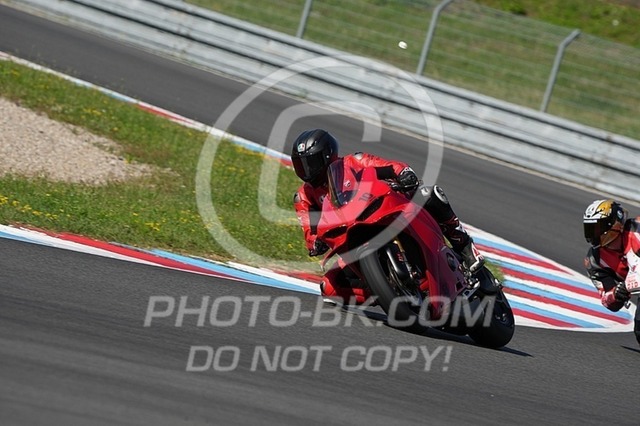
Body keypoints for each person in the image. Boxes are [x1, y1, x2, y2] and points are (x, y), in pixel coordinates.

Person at [291, 128, 485, 305]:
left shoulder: (353, 161)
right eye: (301, 165)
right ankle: (384, 289)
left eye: (310, 163)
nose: (307, 170)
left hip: (381, 211)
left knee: (429, 194)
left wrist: (403, 173)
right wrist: (315, 242)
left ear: (327, 155)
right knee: (329, 286)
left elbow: (390, 166)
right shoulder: (304, 196)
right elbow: (308, 227)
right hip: (348, 237)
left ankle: (465, 246)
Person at [583, 199, 640, 344]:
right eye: (590, 229)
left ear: (614, 224)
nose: (593, 234)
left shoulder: (637, 229)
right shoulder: (594, 260)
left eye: (598, 228)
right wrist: (617, 294)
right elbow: (608, 300)